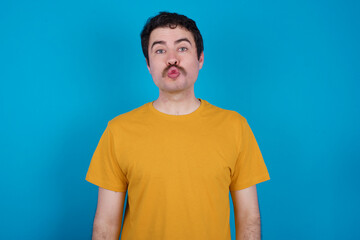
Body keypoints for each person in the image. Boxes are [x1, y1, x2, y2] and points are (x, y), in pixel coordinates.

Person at [86, 11, 270, 240]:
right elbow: (105, 226)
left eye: (182, 48)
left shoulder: (235, 127)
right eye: (160, 50)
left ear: (200, 58)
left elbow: (249, 219)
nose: (172, 58)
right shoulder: (118, 131)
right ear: (148, 64)